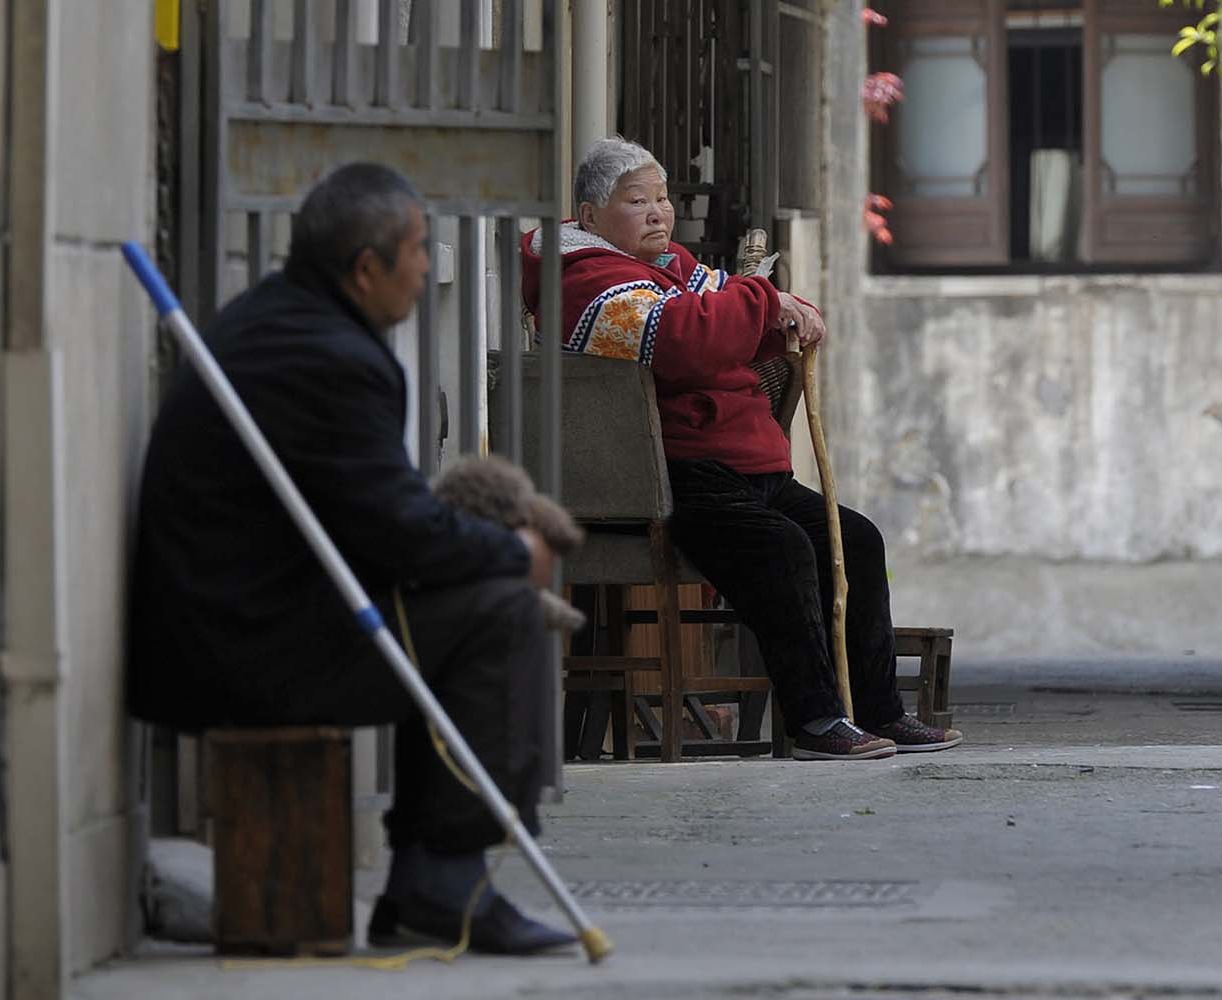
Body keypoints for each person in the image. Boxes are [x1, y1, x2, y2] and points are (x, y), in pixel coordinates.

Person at [128, 163, 575, 954]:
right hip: (244, 647)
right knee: (498, 608)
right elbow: (398, 533)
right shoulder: (327, 355)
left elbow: (377, 515)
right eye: (419, 249)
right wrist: (510, 551)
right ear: (367, 267)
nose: (428, 267)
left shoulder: (282, 321)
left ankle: (428, 877)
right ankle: (444, 880)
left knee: (472, 597)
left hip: (242, 621)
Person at [521, 137, 963, 761]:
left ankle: (880, 713)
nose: (658, 213)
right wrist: (761, 299)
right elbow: (689, 338)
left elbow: (748, 315)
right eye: (636, 200)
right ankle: (814, 722)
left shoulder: (671, 265)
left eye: (663, 198)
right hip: (675, 477)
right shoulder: (583, 282)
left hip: (748, 466)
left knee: (856, 540)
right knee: (779, 549)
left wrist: (775, 306)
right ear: (590, 218)